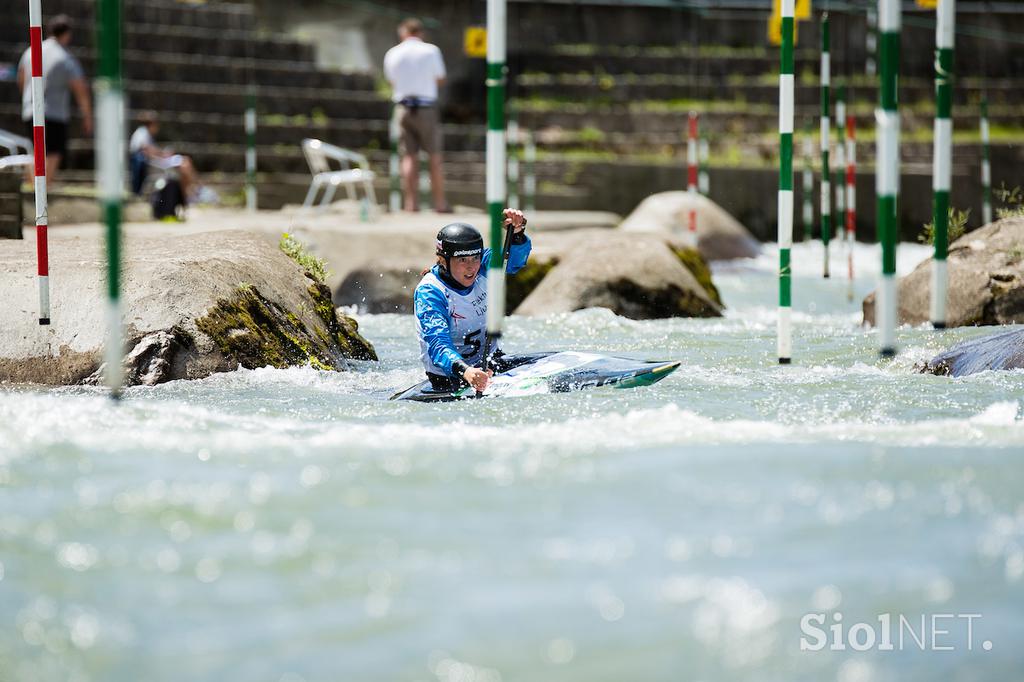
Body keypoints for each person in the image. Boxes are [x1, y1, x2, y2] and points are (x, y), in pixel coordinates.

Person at [415, 208, 530, 392]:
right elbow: (438, 344)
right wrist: (466, 371)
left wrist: (517, 233)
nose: (471, 268)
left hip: (491, 362)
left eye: (474, 258)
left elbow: (514, 261)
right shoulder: (431, 291)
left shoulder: (484, 266)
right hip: (450, 376)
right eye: (462, 260)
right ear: (444, 261)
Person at [383, 18, 450, 213]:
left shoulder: (393, 53)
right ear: (420, 33)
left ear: (403, 33)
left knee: (409, 156)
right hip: (426, 107)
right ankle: (439, 204)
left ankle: (411, 204)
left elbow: (391, 81)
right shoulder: (431, 51)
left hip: (403, 108)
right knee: (434, 156)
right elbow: (440, 78)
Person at [17, 14, 92, 183]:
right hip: (54, 113)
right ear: (66, 34)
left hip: (30, 110)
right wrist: (87, 116)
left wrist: (27, 100)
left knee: (36, 151)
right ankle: (43, 189)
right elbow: (80, 88)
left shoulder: (30, 51)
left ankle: (31, 187)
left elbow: (21, 77)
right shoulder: (65, 57)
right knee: (53, 153)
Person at [128, 111, 199, 200]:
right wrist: (163, 155)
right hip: (154, 163)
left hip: (156, 161)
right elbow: (146, 151)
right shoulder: (142, 133)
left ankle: (192, 192)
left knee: (185, 163)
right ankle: (193, 192)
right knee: (185, 165)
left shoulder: (144, 133)